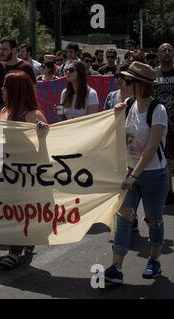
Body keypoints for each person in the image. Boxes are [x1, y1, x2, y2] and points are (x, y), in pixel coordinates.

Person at [104, 62, 169, 284]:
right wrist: (115, 115)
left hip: (153, 174)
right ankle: (116, 267)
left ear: (141, 85)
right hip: (130, 171)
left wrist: (134, 176)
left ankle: (154, 260)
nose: (124, 83)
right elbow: (119, 135)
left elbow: (151, 149)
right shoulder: (128, 103)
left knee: (153, 219)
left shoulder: (157, 110)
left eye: (129, 80)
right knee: (123, 218)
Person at [0, 71, 48, 269]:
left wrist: (43, 135)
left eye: (5, 86)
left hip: (26, 174)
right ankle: (27, 238)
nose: (1, 90)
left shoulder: (33, 116)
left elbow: (45, 149)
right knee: (8, 210)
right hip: (4, 171)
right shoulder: (3, 112)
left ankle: (14, 252)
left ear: (15, 90)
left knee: (19, 210)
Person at [154, 43, 174, 204]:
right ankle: (168, 191)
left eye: (169, 50)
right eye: (163, 51)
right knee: (165, 158)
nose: (167, 53)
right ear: (158, 55)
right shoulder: (154, 74)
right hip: (160, 122)